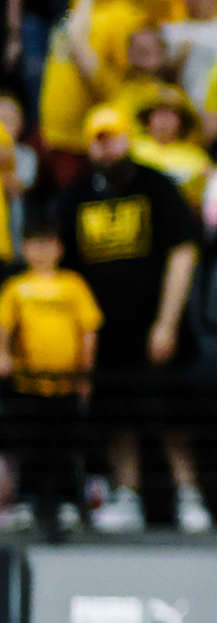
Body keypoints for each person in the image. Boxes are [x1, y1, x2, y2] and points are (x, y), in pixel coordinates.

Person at [54, 100, 206, 531]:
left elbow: (183, 251)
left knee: (174, 412)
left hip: (156, 322)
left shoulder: (155, 184)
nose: (107, 148)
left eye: (113, 138)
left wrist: (167, 321)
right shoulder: (77, 195)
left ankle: (189, 494)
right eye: (99, 141)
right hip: (106, 330)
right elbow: (62, 264)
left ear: (127, 139)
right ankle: (127, 494)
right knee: (116, 415)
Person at [0, 223, 99, 530]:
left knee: (66, 444)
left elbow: (88, 328)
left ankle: (68, 500)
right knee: (29, 444)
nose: (41, 251)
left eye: (47, 244)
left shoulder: (73, 285)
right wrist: (3, 354)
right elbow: (4, 325)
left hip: (66, 383)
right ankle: (30, 500)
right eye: (35, 244)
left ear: (59, 248)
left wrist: (85, 371)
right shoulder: (16, 287)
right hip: (28, 382)